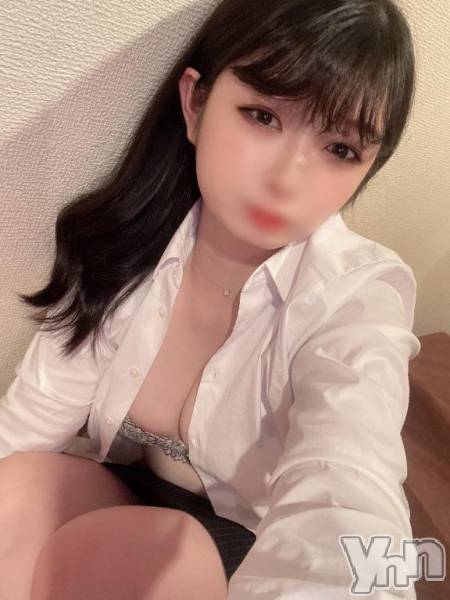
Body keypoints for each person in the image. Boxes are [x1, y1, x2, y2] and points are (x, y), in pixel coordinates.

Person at [0, 0, 421, 598]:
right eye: (263, 116)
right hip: (127, 490)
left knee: (106, 554)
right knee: (12, 490)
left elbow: (352, 482)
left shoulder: (357, 295)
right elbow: (28, 424)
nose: (287, 178)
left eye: (340, 150)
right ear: (195, 104)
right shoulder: (125, 240)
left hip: (250, 538)